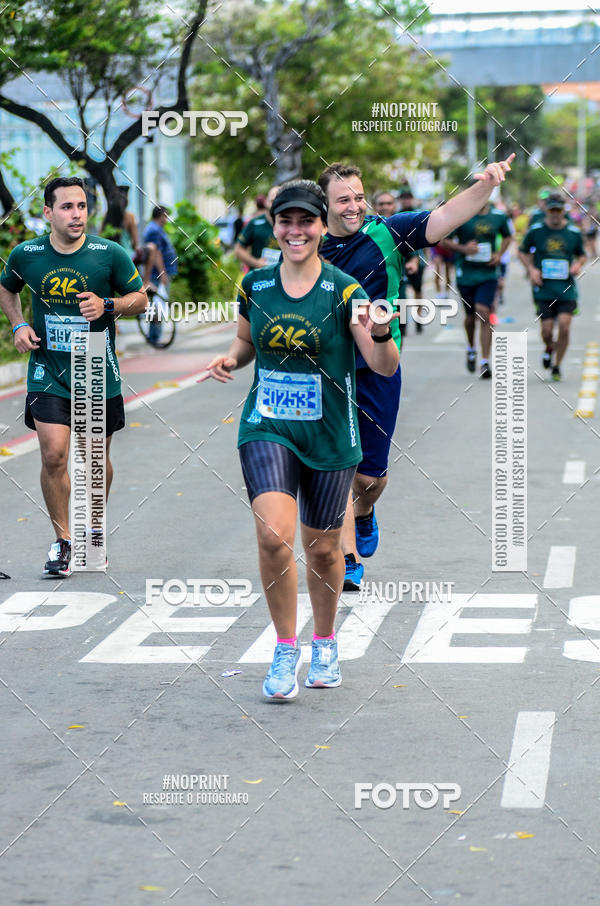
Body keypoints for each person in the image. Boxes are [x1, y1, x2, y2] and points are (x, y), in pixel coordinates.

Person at [203, 180, 399, 699]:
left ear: (319, 226)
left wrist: (381, 334)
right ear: (274, 227)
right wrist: (230, 359)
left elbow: (381, 365)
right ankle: (285, 646)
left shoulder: (346, 291)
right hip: (268, 425)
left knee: (324, 549)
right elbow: (246, 342)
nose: (296, 231)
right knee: (272, 535)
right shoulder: (255, 286)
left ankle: (326, 640)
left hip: (331, 434)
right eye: (286, 221)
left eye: (306, 221)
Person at [318, 155, 514, 590]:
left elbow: (445, 217)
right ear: (325, 205)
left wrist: (485, 185)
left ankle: (365, 512)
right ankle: (346, 559)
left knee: (369, 479)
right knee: (335, 469)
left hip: (378, 367)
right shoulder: (309, 244)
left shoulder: (386, 232)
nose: (354, 206)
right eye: (344, 200)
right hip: (326, 373)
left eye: (360, 197)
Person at [0, 176, 147, 575]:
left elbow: (141, 299)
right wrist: (17, 325)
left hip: (94, 364)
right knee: (54, 455)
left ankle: (93, 531)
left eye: (81, 206)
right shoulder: (26, 254)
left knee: (92, 460)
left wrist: (109, 305)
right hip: (47, 367)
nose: (76, 214)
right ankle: (64, 541)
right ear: (48, 212)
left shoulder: (109, 253)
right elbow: (7, 288)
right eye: (67, 207)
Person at [441, 198, 511, 378]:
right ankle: (471, 348)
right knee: (470, 317)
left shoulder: (498, 216)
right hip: (466, 274)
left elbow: (509, 236)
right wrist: (463, 248)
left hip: (488, 273)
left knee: (484, 312)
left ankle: (485, 361)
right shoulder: (462, 216)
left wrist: (499, 254)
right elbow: (444, 240)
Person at [518, 193, 586, 381]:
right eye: (552, 210)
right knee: (547, 330)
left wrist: (578, 265)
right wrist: (531, 269)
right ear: (547, 210)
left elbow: (582, 254)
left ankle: (557, 365)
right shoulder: (536, 230)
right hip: (544, 288)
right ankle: (549, 346)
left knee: (564, 327)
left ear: (563, 211)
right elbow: (522, 251)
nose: (555, 214)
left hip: (566, 288)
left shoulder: (573, 232)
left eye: (558, 210)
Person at [142, 205, 178, 343]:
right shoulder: (154, 230)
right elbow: (155, 252)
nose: (167, 219)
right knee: (157, 306)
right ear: (160, 215)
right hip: (157, 274)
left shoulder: (156, 229)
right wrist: (162, 273)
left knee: (158, 305)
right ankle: (154, 337)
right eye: (165, 216)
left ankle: (155, 336)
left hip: (160, 273)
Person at [234, 185, 280, 270]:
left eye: (279, 201)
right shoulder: (254, 223)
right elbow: (238, 250)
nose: (275, 205)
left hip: (284, 279)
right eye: (272, 201)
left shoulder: (291, 226)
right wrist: (256, 263)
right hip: (259, 278)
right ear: (266, 202)